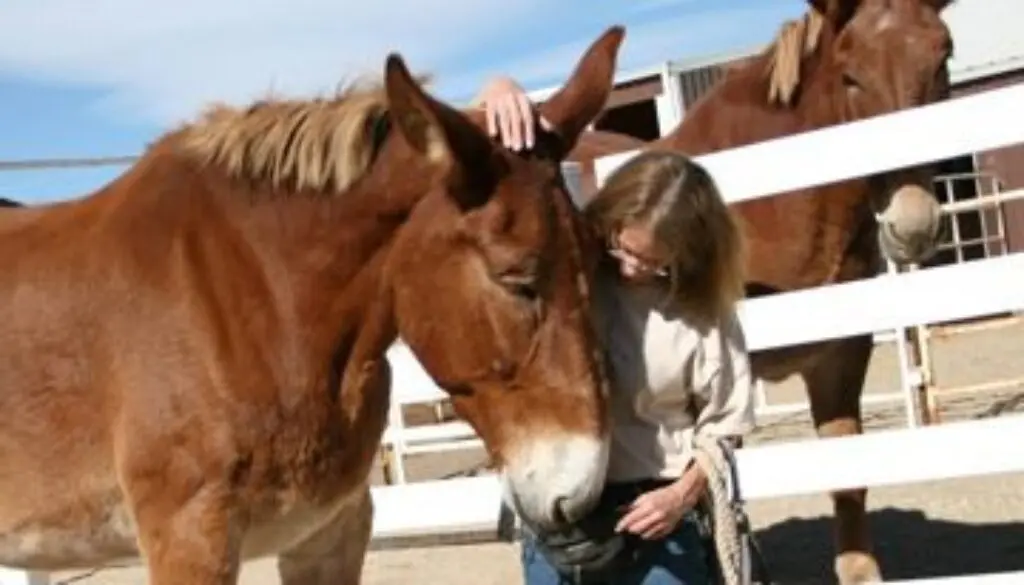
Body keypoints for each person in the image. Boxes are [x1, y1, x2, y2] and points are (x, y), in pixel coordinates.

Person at [473, 77, 757, 585]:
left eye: (651, 262)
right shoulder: (573, 278)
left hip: (657, 510)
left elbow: (723, 427)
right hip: (559, 514)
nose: (627, 269)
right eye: (620, 248)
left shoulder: (702, 313)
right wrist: (500, 91)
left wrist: (680, 496)